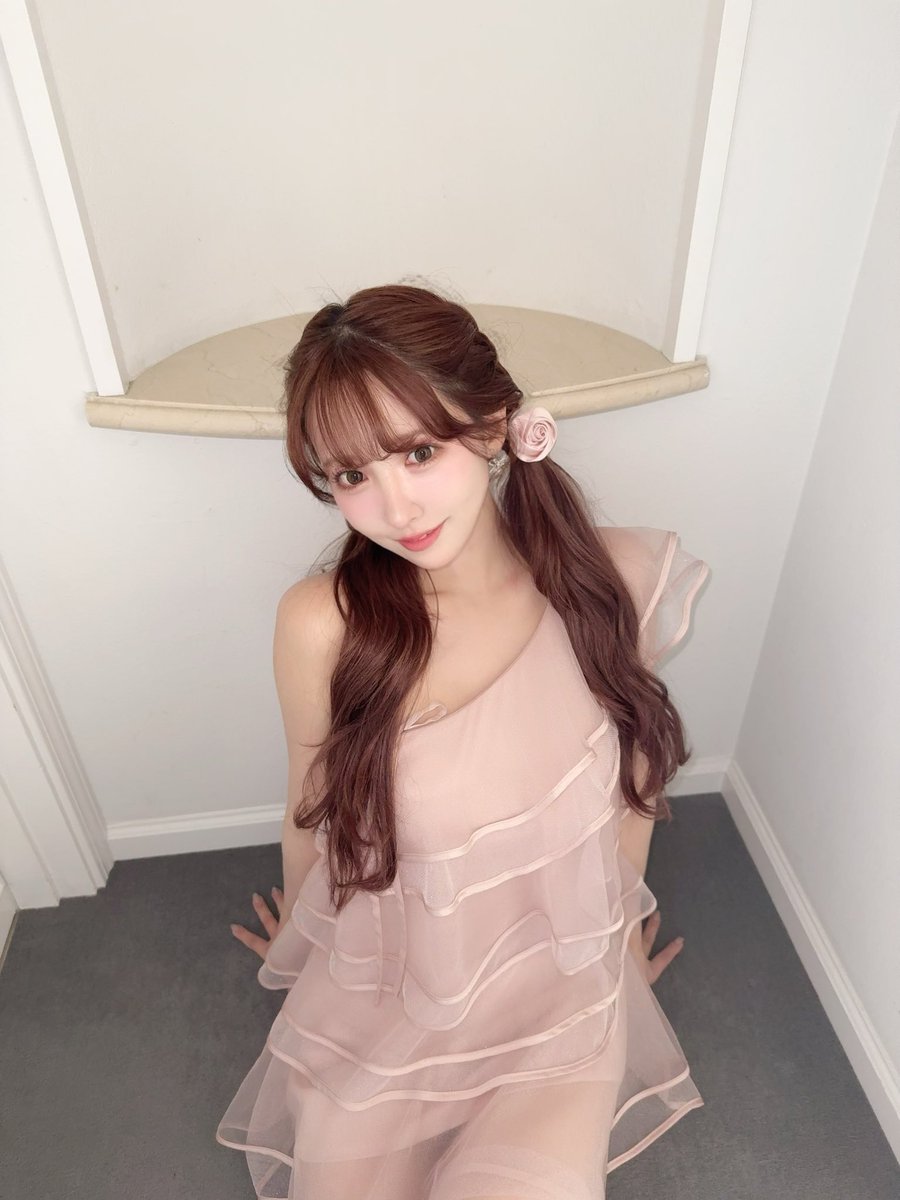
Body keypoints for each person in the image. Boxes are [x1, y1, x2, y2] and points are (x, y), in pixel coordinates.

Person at [218, 283, 710, 1198]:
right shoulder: (324, 627)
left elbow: (630, 785)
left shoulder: (608, 585)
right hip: (394, 992)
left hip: (555, 1007)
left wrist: (615, 958)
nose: (395, 507)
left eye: (418, 452)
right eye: (352, 476)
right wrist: (306, 943)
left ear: (490, 427)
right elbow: (312, 808)